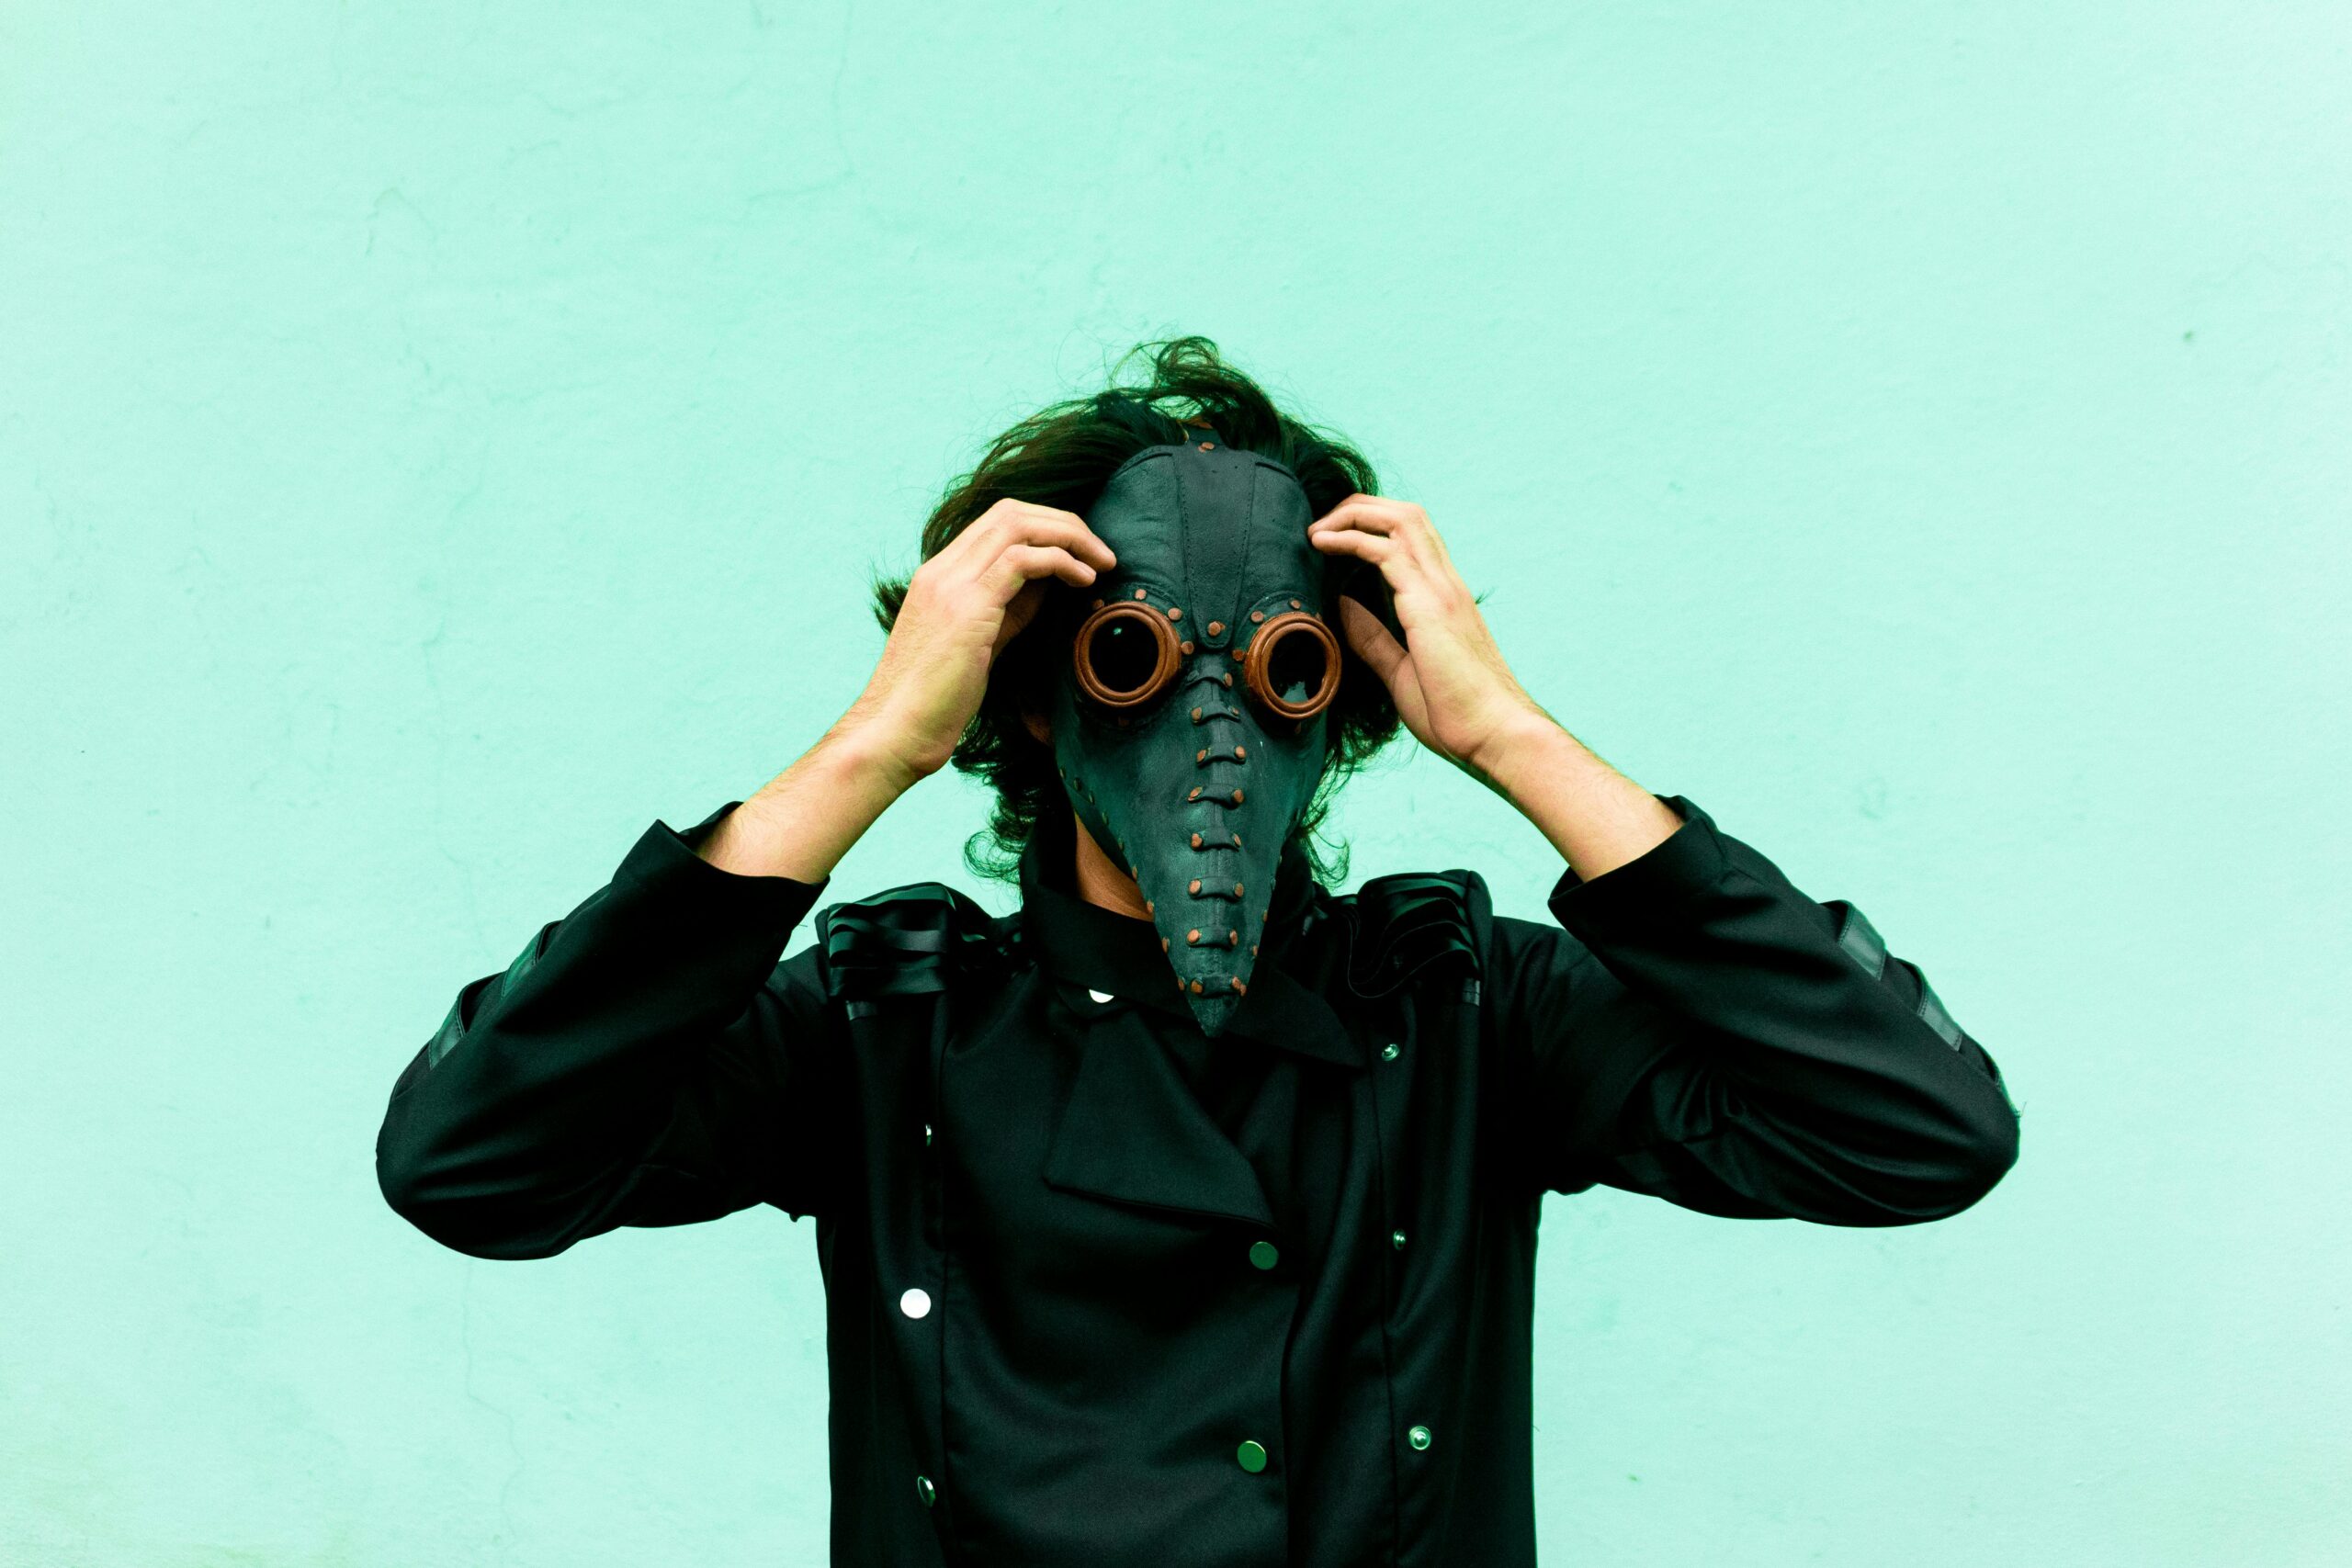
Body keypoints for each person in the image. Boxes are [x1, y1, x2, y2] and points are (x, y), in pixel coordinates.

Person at [374, 338, 2020, 1566]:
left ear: (1356, 701)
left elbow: (1919, 1126)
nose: (1214, 726)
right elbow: (472, 1163)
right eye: (1133, 656)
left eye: (1290, 667)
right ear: (1026, 689)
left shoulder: (1460, 1012)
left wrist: (1514, 737)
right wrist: (873, 744)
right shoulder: (886, 1029)